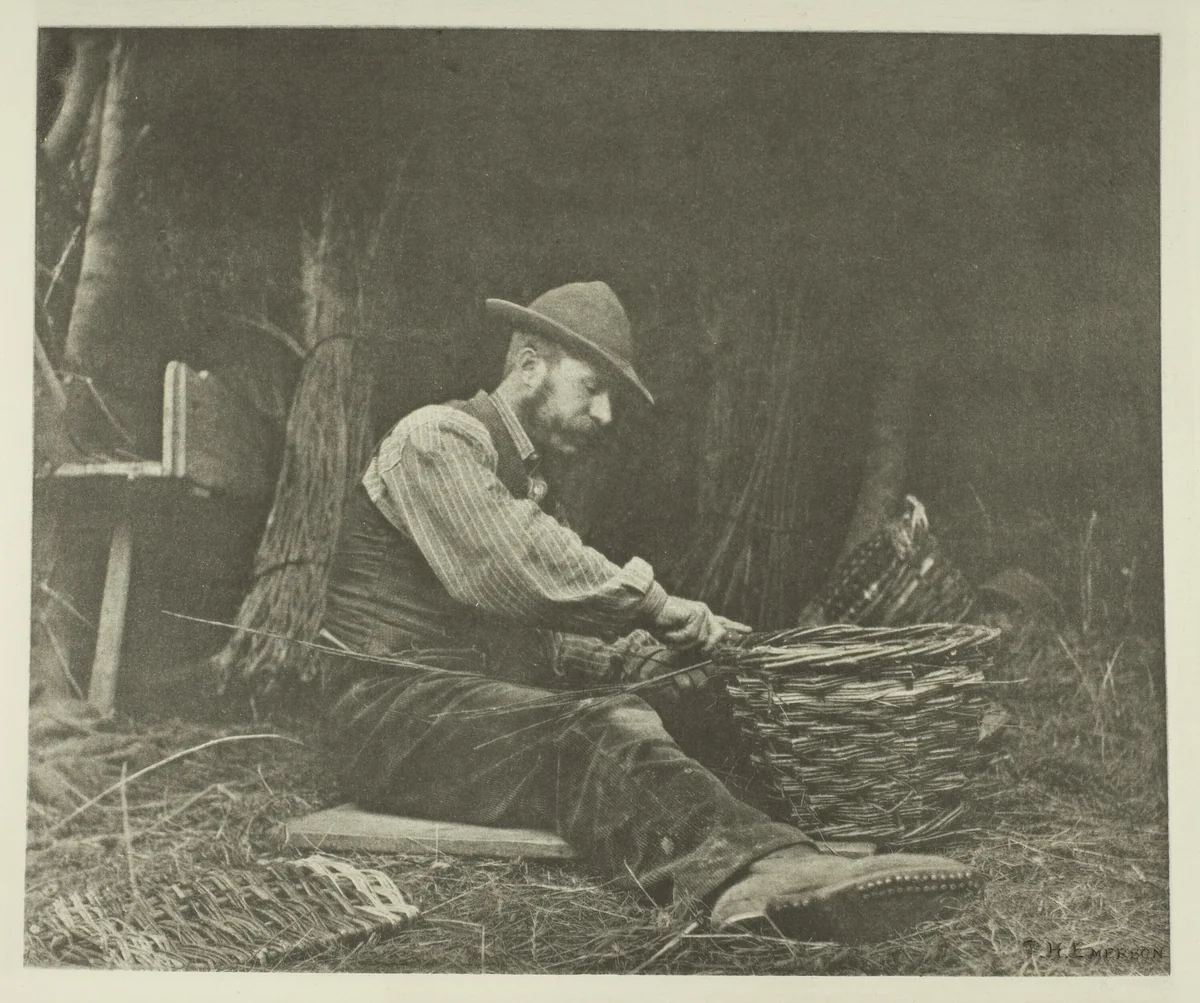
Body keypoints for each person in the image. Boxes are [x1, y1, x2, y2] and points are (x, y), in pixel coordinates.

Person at [318, 280, 982, 942]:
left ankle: (815, 848)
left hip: (459, 712)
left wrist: (659, 660)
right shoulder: (435, 439)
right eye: (592, 386)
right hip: (390, 718)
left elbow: (551, 642)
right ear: (527, 365)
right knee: (591, 727)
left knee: (682, 703)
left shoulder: (526, 483)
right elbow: (516, 564)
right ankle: (747, 875)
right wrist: (659, 607)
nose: (606, 414)